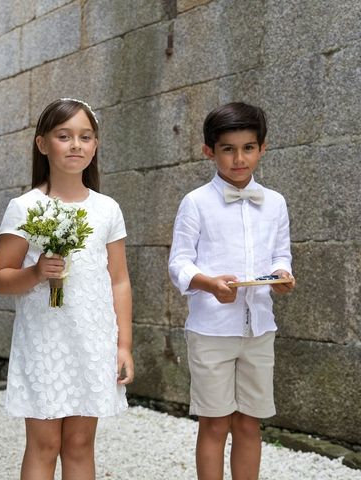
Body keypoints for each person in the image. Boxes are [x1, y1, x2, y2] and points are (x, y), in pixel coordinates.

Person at [0, 98, 134, 479]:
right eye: (64, 136)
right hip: (44, 341)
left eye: (85, 137)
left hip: (92, 340)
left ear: (96, 145)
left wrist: (123, 346)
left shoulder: (107, 209)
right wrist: (37, 272)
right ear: (43, 144)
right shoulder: (25, 207)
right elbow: (1, 278)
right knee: (45, 444)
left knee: (79, 445)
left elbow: (119, 280)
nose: (76, 145)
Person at [168, 102, 295, 480]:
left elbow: (280, 253)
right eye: (228, 149)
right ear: (210, 151)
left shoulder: (275, 203)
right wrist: (207, 283)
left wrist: (282, 274)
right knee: (214, 424)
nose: (239, 158)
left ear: (263, 148)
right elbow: (179, 262)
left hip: (259, 329)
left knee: (249, 425)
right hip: (211, 331)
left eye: (248, 148)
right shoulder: (196, 203)